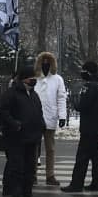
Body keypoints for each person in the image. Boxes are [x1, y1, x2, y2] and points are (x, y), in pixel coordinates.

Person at [0, 65, 45, 197]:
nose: (33, 81)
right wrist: (15, 124)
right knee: (17, 167)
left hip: (32, 137)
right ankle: (16, 195)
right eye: (31, 78)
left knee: (30, 167)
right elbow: (3, 112)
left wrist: (41, 124)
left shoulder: (34, 95)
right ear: (23, 79)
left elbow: (38, 111)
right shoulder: (11, 94)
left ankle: (27, 193)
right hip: (16, 137)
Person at [63, 60, 98, 193]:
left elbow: (82, 106)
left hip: (89, 126)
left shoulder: (90, 86)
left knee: (82, 156)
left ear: (88, 72)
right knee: (97, 156)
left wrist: (74, 102)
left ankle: (76, 184)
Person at [33, 51, 68, 187]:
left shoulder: (58, 79)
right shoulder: (35, 78)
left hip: (50, 116)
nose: (46, 64)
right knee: (34, 148)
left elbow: (61, 97)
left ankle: (50, 175)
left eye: (49, 62)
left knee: (50, 149)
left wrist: (62, 116)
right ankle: (32, 174)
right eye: (43, 61)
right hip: (35, 118)